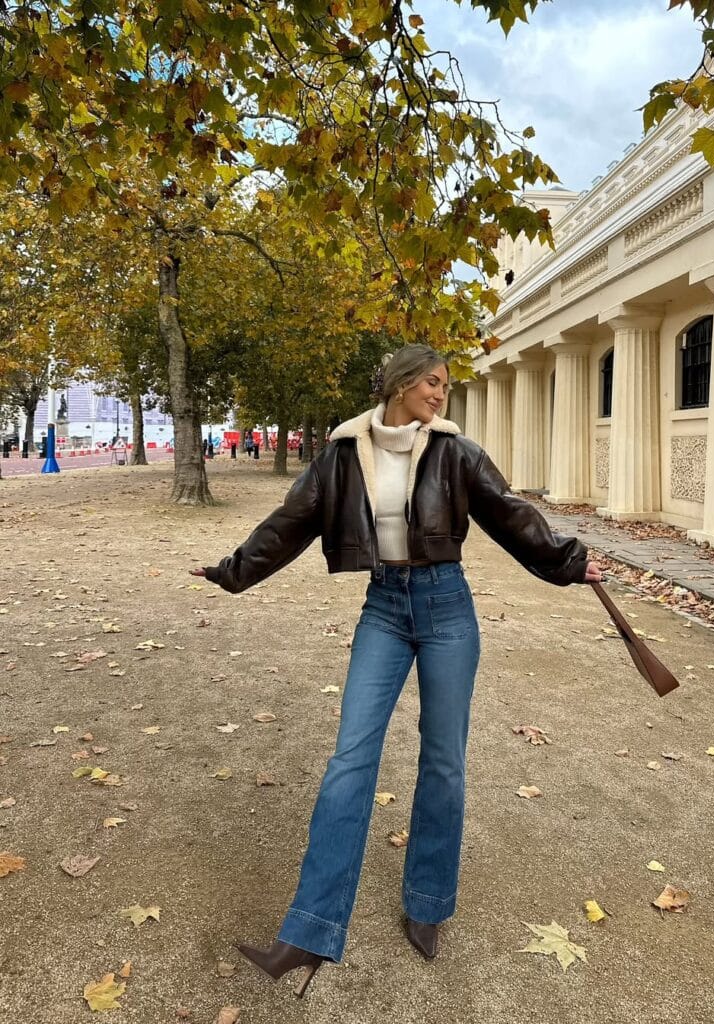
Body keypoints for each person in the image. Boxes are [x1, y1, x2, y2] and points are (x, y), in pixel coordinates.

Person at [191, 345, 601, 997]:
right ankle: (308, 933)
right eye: (432, 382)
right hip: (383, 606)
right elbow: (291, 520)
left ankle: (428, 902)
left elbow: (509, 513)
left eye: (446, 386)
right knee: (349, 761)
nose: (440, 394)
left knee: (443, 760)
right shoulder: (344, 454)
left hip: (447, 608)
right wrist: (234, 570)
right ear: (402, 383)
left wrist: (570, 561)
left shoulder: (455, 452)